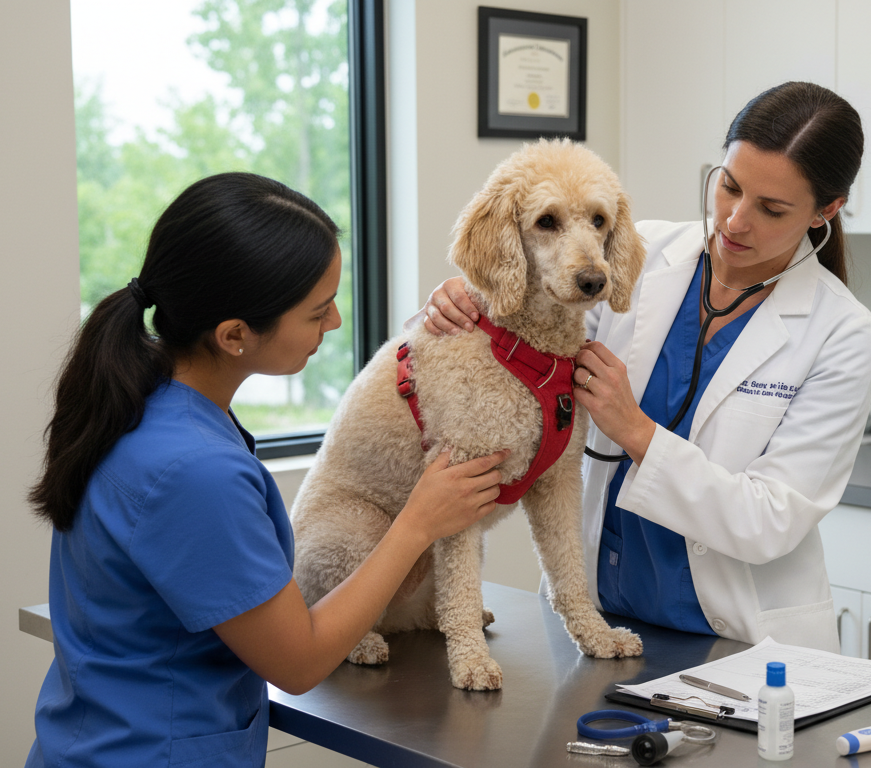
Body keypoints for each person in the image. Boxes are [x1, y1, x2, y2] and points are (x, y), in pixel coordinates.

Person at [25, 172, 508, 767]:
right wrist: (416, 524)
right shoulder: (194, 472)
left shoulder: (142, 403)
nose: (333, 325)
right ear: (235, 336)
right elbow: (298, 663)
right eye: (318, 311)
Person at [421, 81, 871, 651]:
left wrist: (635, 431)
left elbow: (770, 521)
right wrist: (467, 298)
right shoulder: (634, 252)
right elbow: (533, 328)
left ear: (826, 210)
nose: (735, 221)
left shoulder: (842, 332)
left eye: (771, 208)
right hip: (597, 618)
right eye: (729, 186)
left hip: (737, 641)